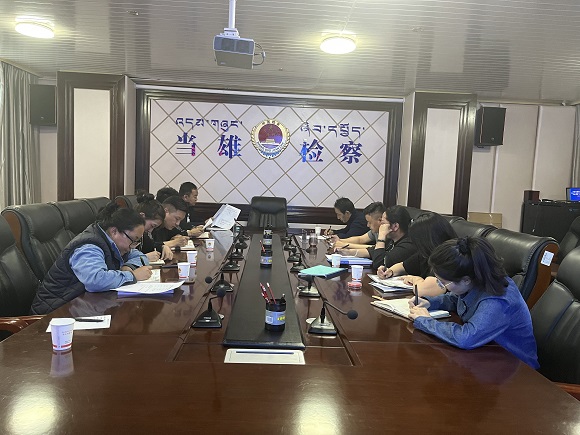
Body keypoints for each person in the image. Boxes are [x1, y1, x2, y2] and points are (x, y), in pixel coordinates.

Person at [408, 237, 539, 369]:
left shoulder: (497, 300)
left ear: (466, 280)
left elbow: (466, 338)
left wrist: (426, 321)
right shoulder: (476, 277)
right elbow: (455, 299)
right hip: (485, 354)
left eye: (443, 283)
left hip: (515, 369)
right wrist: (430, 302)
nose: (441, 286)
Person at [30, 203, 153, 315]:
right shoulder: (89, 247)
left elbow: (140, 256)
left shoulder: (115, 243)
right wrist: (132, 276)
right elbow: (95, 280)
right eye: (133, 240)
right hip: (55, 315)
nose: (133, 246)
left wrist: (129, 267)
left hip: (82, 307)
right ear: (114, 231)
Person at [377, 212, 457, 296]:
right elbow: (403, 266)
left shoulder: (448, 257)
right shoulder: (425, 254)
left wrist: (416, 280)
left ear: (426, 240)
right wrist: (390, 271)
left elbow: (423, 291)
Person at [370, 205, 416, 269]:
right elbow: (373, 251)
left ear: (395, 226)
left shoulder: (407, 246)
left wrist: (381, 237)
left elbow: (379, 264)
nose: (380, 226)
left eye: (382, 223)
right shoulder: (391, 240)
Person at [133, 192, 173, 261]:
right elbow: (122, 261)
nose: (150, 230)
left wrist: (162, 247)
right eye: (152, 226)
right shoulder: (126, 233)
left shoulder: (143, 235)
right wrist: (144, 258)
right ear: (142, 216)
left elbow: (151, 246)